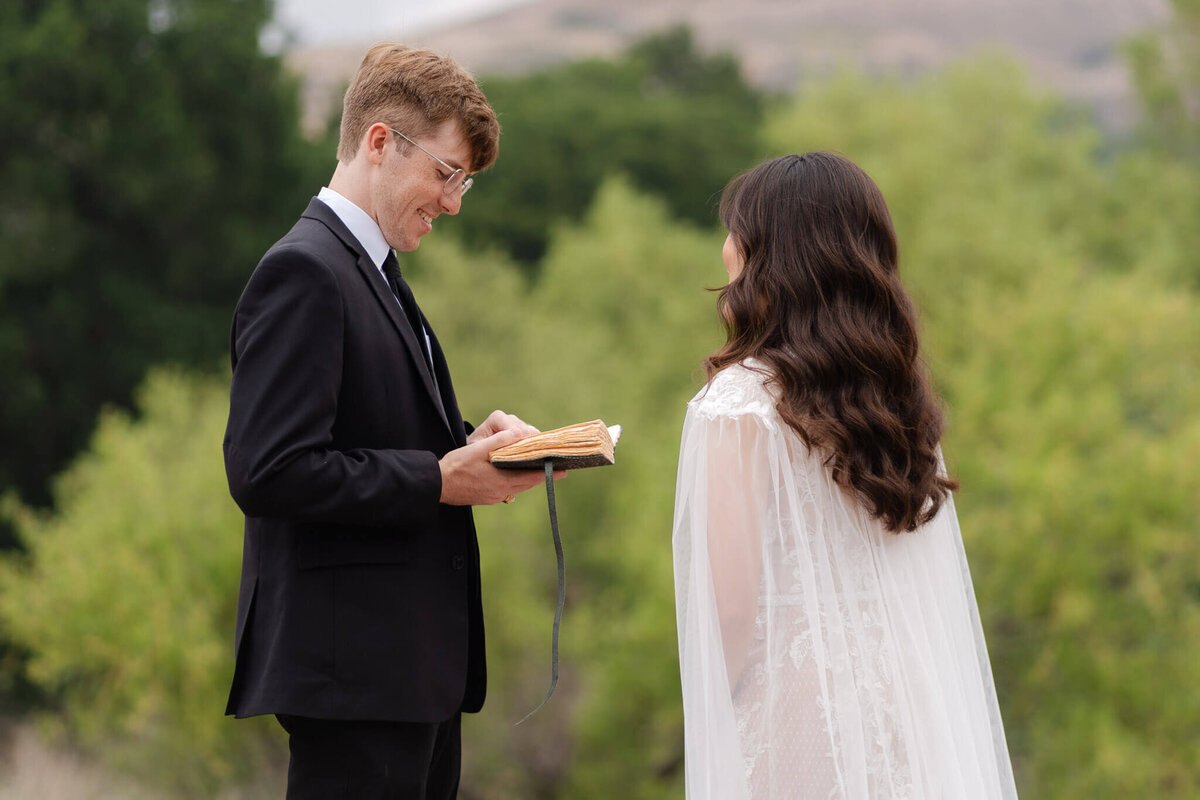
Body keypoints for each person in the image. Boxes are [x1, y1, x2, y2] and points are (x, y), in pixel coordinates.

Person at [222, 44, 556, 799]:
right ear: (379, 142)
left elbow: (367, 433)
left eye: (464, 182)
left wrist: (472, 448)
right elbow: (267, 471)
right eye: (446, 173)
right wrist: (439, 479)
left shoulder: (371, 269)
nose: (454, 202)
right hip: (353, 683)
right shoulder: (304, 270)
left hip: (409, 678)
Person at [672, 152, 1019, 799]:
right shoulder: (896, 399)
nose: (726, 249)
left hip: (797, 713)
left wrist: (716, 722)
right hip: (913, 703)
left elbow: (730, 609)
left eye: (735, 232)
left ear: (767, 253)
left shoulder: (738, 404)